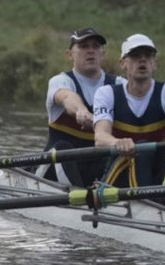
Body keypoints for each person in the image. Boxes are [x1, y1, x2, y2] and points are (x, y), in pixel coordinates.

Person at [45, 27, 132, 187]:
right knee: (62, 148)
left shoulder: (120, 85)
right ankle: (79, 199)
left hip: (96, 169)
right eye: (84, 46)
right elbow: (66, 96)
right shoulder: (60, 81)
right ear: (69, 55)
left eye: (95, 46)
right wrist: (81, 111)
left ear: (102, 54)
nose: (91, 51)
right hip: (54, 170)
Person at [92, 33, 165, 187]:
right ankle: (147, 204)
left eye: (148, 55)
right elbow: (100, 137)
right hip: (121, 170)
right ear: (122, 63)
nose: (142, 60)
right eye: (135, 55)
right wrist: (117, 142)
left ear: (154, 63)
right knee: (142, 149)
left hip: (159, 170)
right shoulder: (107, 93)